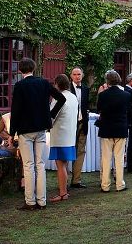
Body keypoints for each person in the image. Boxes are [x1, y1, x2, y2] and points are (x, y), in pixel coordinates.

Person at [10, 57, 66, 210]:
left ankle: (30, 201)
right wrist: (50, 114)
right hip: (41, 128)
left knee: (28, 165)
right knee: (40, 165)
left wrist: (11, 132)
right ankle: (42, 201)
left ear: (20, 70)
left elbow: (15, 111)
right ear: (33, 68)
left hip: (25, 130)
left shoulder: (20, 86)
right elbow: (61, 98)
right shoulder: (43, 83)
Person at [97, 70, 129, 192]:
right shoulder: (126, 95)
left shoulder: (103, 95)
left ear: (107, 81)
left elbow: (99, 109)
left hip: (106, 128)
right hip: (120, 128)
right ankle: (120, 184)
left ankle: (105, 185)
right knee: (119, 158)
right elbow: (128, 110)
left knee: (106, 158)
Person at [48, 74, 78, 202]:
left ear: (57, 84)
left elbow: (52, 117)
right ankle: (63, 190)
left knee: (60, 165)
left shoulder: (59, 98)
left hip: (60, 135)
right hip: (70, 135)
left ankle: (62, 192)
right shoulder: (73, 97)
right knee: (64, 164)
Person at [69, 66, 89, 189]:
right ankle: (64, 179)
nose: (77, 76)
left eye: (79, 74)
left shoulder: (86, 89)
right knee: (69, 150)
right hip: (70, 124)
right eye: (75, 74)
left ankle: (76, 180)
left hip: (83, 123)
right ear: (71, 76)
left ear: (82, 75)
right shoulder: (66, 89)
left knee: (80, 151)